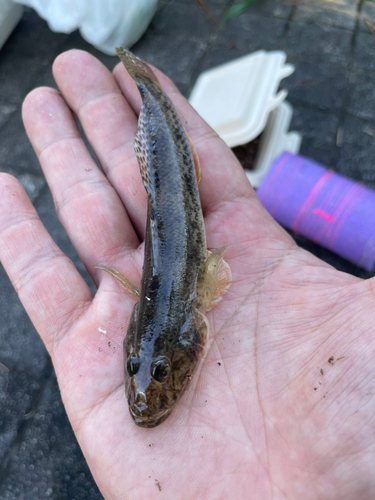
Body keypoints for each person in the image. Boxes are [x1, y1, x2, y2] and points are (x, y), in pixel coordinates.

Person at [0, 49, 373, 499]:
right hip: (170, 229)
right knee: (170, 171)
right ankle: (146, 87)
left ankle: (147, 87)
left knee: (170, 170)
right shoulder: (163, 318)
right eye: (141, 366)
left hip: (171, 233)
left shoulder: (181, 313)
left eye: (153, 369)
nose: (140, 389)